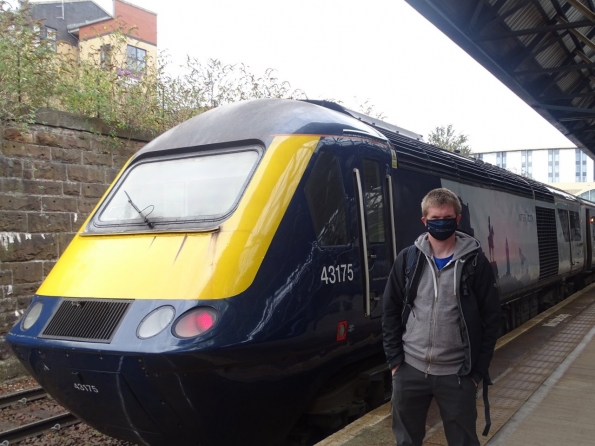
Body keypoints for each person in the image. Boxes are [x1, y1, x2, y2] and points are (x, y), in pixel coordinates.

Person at [382, 188, 501, 446]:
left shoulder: (475, 263)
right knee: (406, 441)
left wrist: (476, 373)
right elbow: (390, 310)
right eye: (435, 218)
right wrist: (395, 363)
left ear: (457, 219)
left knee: (463, 441)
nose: (441, 222)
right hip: (410, 370)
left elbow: (492, 319)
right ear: (425, 221)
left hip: (457, 374)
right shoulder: (408, 259)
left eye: (447, 217)